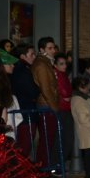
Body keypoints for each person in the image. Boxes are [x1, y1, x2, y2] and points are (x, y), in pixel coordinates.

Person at [31, 37, 59, 171]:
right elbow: (46, 88)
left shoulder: (46, 62)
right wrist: (55, 108)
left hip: (47, 104)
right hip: (46, 105)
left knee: (48, 139)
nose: (53, 50)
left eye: (54, 48)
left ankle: (45, 169)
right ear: (42, 50)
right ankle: (42, 170)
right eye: (50, 48)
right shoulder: (42, 64)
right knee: (46, 140)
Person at [9, 43, 39, 158]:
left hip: (23, 112)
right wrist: (37, 89)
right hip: (25, 113)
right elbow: (31, 90)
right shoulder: (22, 70)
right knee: (24, 146)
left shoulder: (22, 69)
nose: (34, 57)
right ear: (22, 56)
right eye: (31, 54)